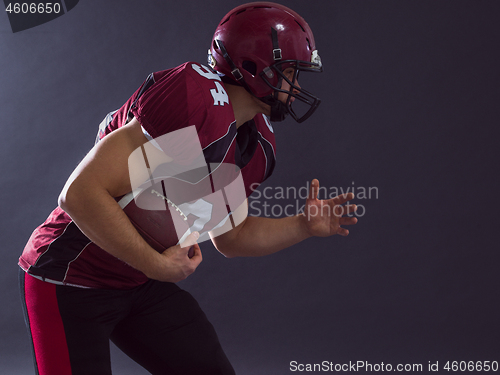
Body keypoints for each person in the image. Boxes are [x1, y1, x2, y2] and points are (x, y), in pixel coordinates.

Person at [19, 2, 358, 374]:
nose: (297, 85)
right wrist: (158, 265)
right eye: (291, 71)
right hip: (70, 278)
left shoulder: (256, 144)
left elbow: (232, 236)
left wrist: (301, 226)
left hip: (136, 283)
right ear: (255, 67)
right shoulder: (196, 103)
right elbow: (80, 194)